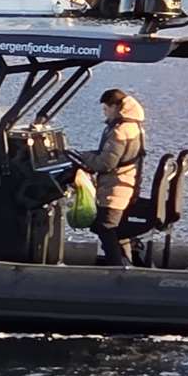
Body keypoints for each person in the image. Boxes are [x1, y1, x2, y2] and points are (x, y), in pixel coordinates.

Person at [74, 88, 146, 265]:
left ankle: (116, 268)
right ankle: (125, 262)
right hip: (127, 186)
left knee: (105, 227)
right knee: (116, 229)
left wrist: (82, 157)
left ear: (115, 107)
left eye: (106, 109)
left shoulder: (120, 131)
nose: (105, 113)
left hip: (115, 189)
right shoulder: (135, 126)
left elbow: (105, 163)